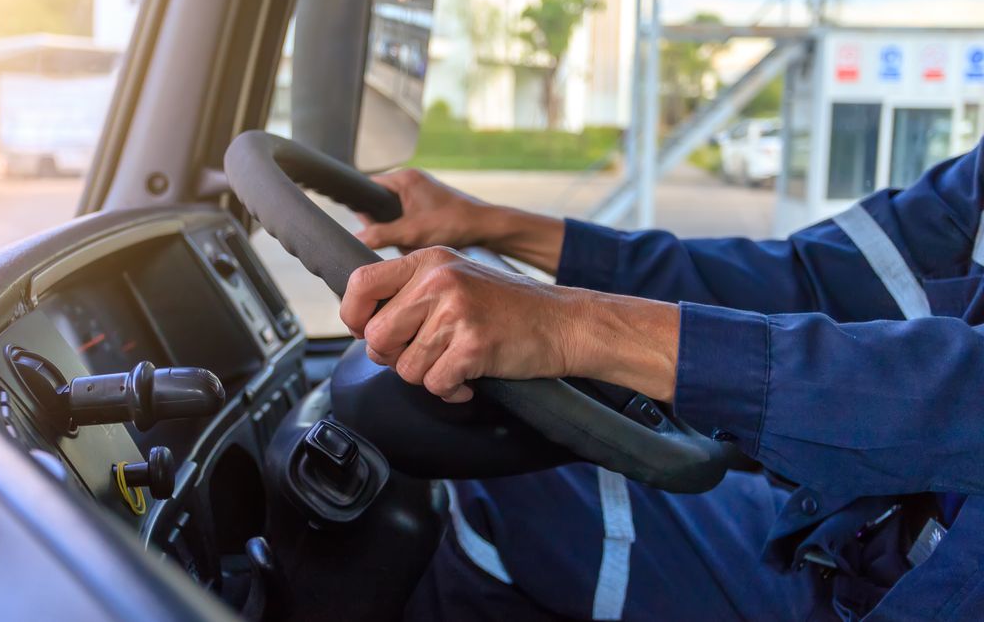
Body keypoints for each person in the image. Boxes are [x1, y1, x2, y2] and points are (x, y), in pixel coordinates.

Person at [339, 145, 984, 620]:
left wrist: (570, 327)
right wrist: (487, 225)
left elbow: (960, 393)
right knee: (514, 491)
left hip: (912, 594)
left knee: (500, 506)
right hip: (839, 532)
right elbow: (806, 280)